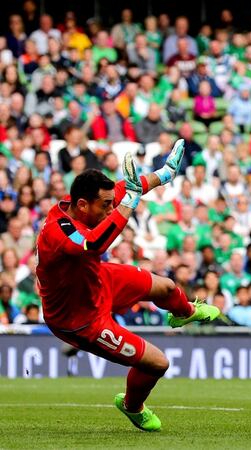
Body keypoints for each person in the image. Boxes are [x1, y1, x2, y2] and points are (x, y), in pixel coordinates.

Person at [36, 140, 220, 432]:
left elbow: (131, 187)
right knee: (158, 364)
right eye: (106, 206)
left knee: (168, 288)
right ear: (82, 205)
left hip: (97, 279)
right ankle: (132, 406)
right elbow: (93, 244)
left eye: (112, 204)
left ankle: (183, 312)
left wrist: (166, 174)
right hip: (80, 318)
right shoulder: (57, 232)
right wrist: (128, 206)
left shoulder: (93, 199)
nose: (111, 209)